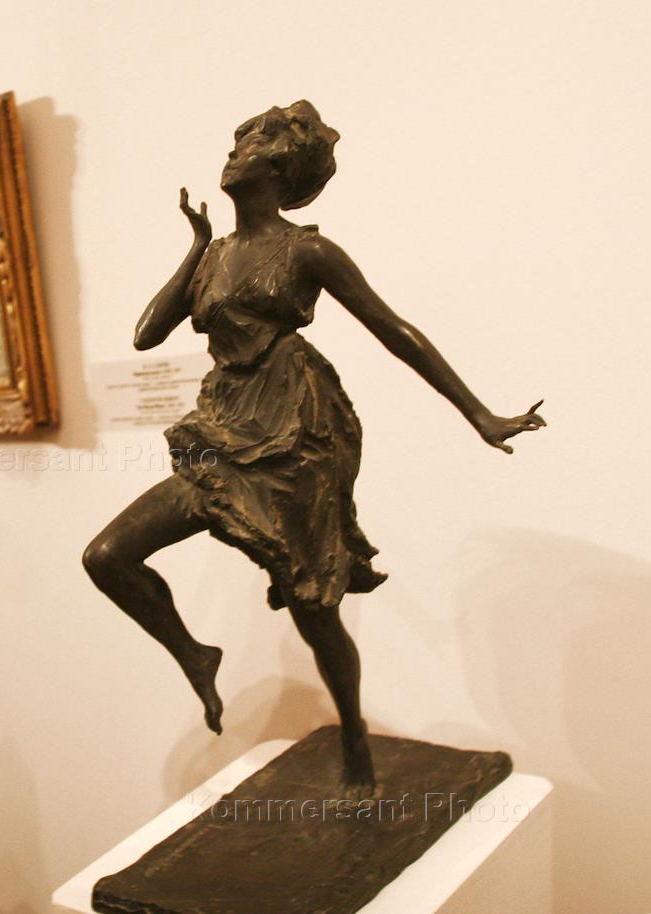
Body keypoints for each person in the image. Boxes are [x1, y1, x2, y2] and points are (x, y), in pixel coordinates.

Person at [82, 100, 544, 795]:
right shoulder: (214, 255)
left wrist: (478, 413)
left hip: (295, 430)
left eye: (248, 145)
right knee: (107, 555)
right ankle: (196, 654)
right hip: (220, 426)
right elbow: (146, 335)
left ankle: (355, 737)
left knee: (312, 604)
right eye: (235, 142)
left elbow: (393, 329)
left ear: (279, 167)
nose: (232, 153)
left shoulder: (307, 251)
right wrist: (194, 247)